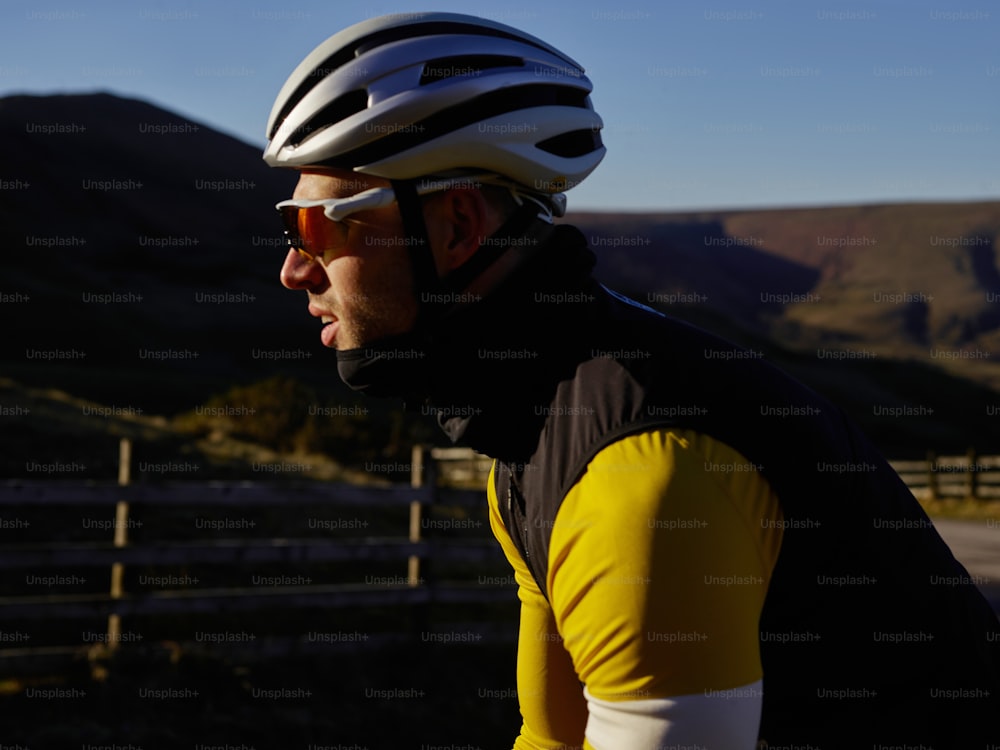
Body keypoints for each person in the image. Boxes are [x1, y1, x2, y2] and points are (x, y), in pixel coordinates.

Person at [263, 12, 1000, 748]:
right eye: (290, 227)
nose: (295, 267)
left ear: (456, 226)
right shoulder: (532, 426)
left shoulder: (640, 470)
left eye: (321, 226)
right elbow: (552, 736)